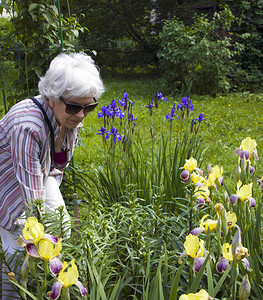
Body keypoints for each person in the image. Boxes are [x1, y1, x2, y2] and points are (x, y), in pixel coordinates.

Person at [0, 52, 104, 299]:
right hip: (6, 181)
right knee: (16, 250)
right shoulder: (27, 126)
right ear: (53, 98)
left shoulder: (68, 118)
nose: (81, 115)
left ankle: (41, 283)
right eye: (74, 107)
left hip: (38, 172)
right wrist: (37, 240)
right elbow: (32, 200)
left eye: (89, 107)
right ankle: (14, 293)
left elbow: (60, 164)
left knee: (62, 227)